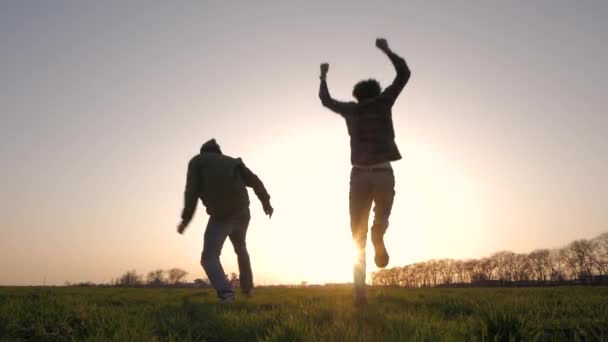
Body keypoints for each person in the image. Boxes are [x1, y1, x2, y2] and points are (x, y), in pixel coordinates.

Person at [319, 38, 411, 304]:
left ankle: (360, 293)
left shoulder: (351, 110)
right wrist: (386, 50)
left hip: (359, 174)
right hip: (383, 171)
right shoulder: (383, 102)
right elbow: (404, 73)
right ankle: (379, 230)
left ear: (357, 95)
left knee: (356, 236)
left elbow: (326, 100)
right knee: (381, 214)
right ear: (376, 90)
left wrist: (323, 76)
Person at [177, 138, 273, 302]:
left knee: (209, 257)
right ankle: (248, 290)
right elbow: (255, 181)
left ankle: (226, 294)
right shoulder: (233, 161)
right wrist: (266, 202)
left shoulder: (197, 161)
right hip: (243, 213)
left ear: (203, 152)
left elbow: (191, 191)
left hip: (221, 216)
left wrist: (186, 219)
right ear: (218, 152)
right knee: (241, 248)